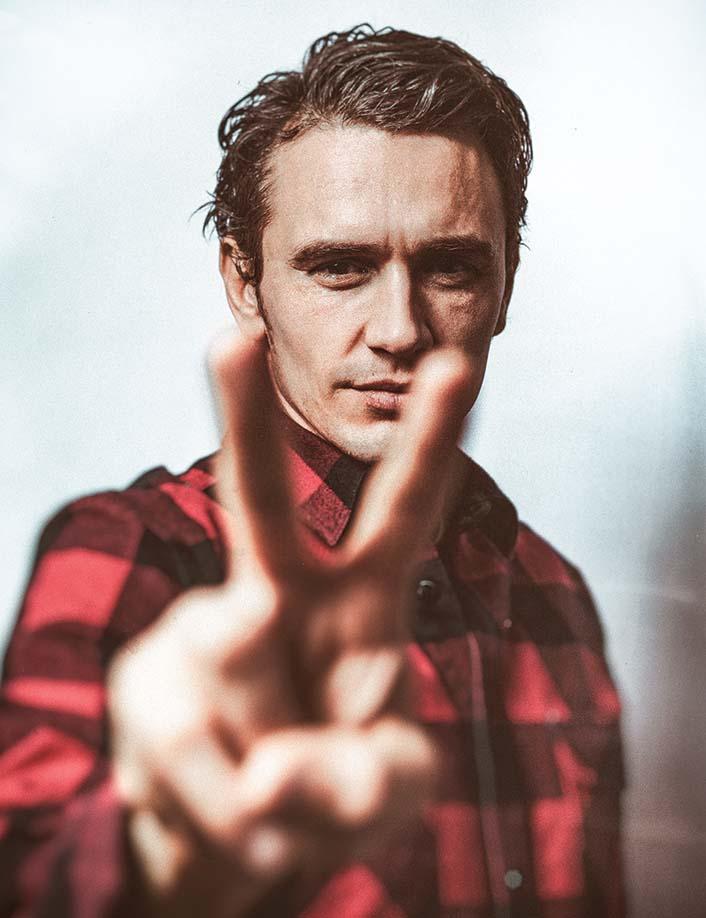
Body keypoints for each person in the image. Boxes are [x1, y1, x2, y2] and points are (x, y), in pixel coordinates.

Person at [0, 25, 625, 918]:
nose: (399, 329)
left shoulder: (552, 591)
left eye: (450, 268)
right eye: (339, 268)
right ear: (243, 283)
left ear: (506, 286)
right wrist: (162, 860)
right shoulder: (130, 553)